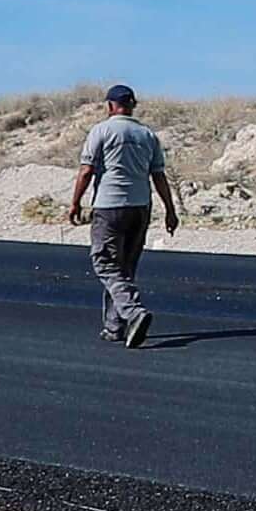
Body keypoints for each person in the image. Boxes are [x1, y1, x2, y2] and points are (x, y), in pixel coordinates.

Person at [68, 83, 186, 347]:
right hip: (140, 207)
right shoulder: (147, 134)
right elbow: (159, 175)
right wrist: (170, 209)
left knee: (105, 263)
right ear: (133, 105)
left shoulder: (101, 130)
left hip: (109, 207)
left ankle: (134, 312)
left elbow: (86, 170)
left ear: (110, 105)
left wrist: (75, 202)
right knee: (125, 269)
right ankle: (114, 327)